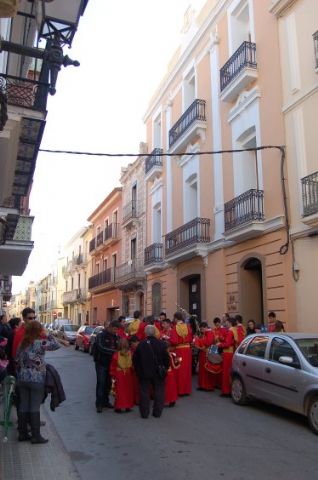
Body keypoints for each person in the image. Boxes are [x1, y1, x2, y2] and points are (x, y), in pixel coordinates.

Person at [15, 321, 60, 443]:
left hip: (22, 378)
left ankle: (22, 434)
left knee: (23, 405)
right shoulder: (40, 343)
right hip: (36, 379)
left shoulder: (22, 344)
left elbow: (16, 359)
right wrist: (47, 334)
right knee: (34, 407)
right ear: (38, 331)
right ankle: (36, 436)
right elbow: (56, 345)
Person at [133, 324, 169, 419]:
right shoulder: (161, 344)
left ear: (145, 333)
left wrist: (137, 370)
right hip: (158, 372)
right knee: (159, 391)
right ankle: (157, 412)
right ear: (154, 333)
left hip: (144, 372)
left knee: (144, 392)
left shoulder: (141, 344)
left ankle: (144, 413)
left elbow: (135, 359)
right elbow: (166, 358)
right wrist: (165, 368)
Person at [93, 320, 119, 413]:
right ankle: (99, 404)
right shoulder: (101, 335)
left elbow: (119, 346)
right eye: (115, 329)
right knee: (101, 383)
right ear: (110, 327)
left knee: (108, 383)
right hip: (101, 363)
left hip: (111, 363)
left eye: (117, 329)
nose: (116, 331)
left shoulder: (116, 337)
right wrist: (114, 352)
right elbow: (101, 348)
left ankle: (105, 401)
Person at [169, 311, 193, 396]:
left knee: (178, 368)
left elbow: (174, 341)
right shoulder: (188, 326)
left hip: (179, 351)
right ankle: (186, 390)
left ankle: (180, 390)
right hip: (187, 350)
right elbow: (190, 338)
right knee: (187, 369)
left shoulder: (174, 328)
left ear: (176, 318)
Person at [110, 338, 134, 413]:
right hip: (128, 373)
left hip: (119, 373)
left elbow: (113, 366)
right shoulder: (130, 353)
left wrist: (112, 375)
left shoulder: (116, 355)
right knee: (128, 390)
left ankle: (119, 407)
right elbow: (132, 365)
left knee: (119, 391)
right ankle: (128, 406)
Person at [216, 317, 236, 397]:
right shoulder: (234, 330)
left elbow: (227, 344)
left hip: (227, 353)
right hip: (231, 352)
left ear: (230, 322)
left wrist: (219, 344)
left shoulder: (230, 331)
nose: (225, 323)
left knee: (226, 372)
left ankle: (226, 391)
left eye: (227, 322)